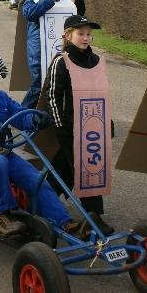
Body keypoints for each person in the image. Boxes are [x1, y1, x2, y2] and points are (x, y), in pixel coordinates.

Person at [0, 48, 78, 236]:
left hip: (3, 152)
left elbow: (19, 115)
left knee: (36, 179)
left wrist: (35, 119)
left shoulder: (0, 97)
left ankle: (64, 221)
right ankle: (3, 214)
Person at [41, 15, 114, 237]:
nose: (85, 37)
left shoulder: (97, 61)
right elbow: (52, 96)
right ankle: (93, 216)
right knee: (81, 169)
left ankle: (46, 203)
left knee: (78, 168)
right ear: (67, 35)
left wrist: (107, 121)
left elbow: (102, 93)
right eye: (80, 33)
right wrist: (61, 128)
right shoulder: (61, 61)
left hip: (92, 127)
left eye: (88, 34)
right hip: (68, 128)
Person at [21, 0, 63, 108]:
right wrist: (49, 0)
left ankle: (43, 114)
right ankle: (22, 115)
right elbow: (29, 14)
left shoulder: (62, 0)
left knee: (54, 85)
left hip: (57, 49)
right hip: (38, 50)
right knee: (38, 86)